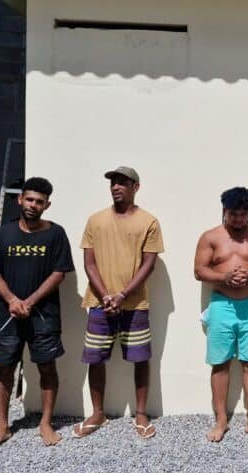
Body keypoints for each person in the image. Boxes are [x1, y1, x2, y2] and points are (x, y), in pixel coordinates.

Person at [0, 177, 74, 452]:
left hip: (43, 315)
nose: (33, 205)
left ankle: (46, 423)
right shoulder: (3, 234)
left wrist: (30, 302)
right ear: (20, 199)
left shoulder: (55, 234)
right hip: (8, 315)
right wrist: (12, 300)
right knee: (4, 369)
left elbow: (59, 273)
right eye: (29, 199)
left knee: (47, 367)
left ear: (47, 205)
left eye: (39, 201)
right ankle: (2, 426)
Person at [72, 166, 164, 440]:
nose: (115, 186)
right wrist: (106, 296)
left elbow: (149, 264)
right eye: (113, 182)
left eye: (122, 182)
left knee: (140, 359)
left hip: (134, 305)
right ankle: (97, 413)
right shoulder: (96, 220)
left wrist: (122, 295)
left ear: (136, 187)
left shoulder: (149, 221)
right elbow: (89, 263)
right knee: (95, 359)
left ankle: (141, 413)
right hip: (99, 304)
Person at [194, 186, 248, 443]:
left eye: (243, 214)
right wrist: (225, 277)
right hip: (222, 304)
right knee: (220, 363)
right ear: (224, 211)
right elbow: (199, 270)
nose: (238, 219)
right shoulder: (210, 237)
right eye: (233, 214)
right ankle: (221, 420)